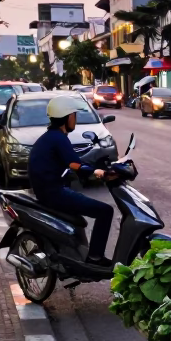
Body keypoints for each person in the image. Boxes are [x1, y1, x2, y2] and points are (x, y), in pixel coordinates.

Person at [27, 96, 114, 265]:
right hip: (54, 194)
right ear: (67, 117)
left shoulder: (52, 137)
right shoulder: (58, 138)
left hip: (48, 191)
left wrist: (91, 167)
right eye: (74, 115)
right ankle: (95, 257)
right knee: (105, 211)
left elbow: (72, 160)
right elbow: (74, 163)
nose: (75, 119)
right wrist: (95, 171)